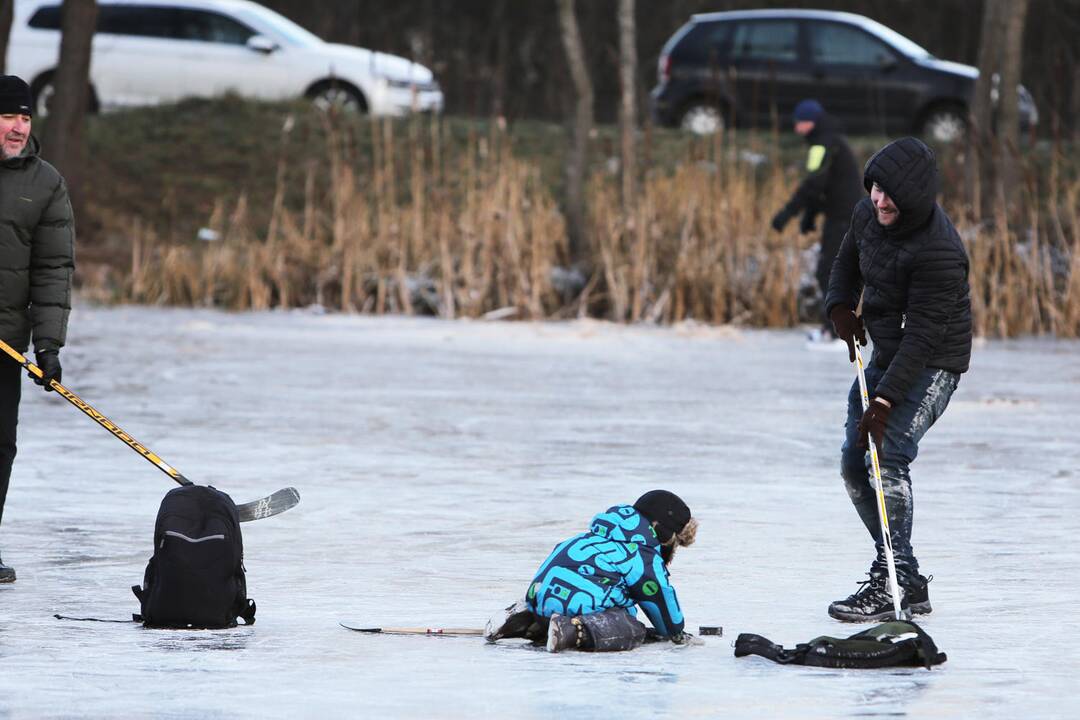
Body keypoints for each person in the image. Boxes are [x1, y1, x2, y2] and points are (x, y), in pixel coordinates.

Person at [824, 136, 971, 622]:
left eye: (890, 194)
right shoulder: (867, 213)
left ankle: (891, 581)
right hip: (889, 348)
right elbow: (846, 262)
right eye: (875, 188)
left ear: (914, 198)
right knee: (852, 464)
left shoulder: (940, 251)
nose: (879, 200)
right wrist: (841, 307)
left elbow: (925, 337)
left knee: (887, 454)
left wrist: (884, 402)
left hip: (932, 361)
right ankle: (905, 577)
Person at [0, 75, 76, 583]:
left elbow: (52, 270)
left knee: (0, 444)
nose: (18, 127)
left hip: (6, 340)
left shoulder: (45, 182)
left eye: (25, 117)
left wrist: (47, 345)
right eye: (9, 116)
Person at [485, 490, 698, 652]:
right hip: (579, 610)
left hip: (540, 599)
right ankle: (571, 631)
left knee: (576, 604)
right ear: (664, 534)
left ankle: (520, 617)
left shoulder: (583, 538)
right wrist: (676, 631)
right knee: (630, 627)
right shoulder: (641, 555)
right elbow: (662, 607)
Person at [770, 99, 863, 341]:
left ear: (810, 122)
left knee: (829, 272)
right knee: (831, 271)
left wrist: (787, 214)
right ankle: (832, 328)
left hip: (844, 218)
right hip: (840, 215)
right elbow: (823, 185)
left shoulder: (821, 145)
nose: (796, 128)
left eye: (799, 123)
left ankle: (835, 330)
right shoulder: (828, 141)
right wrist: (810, 215)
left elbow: (813, 184)